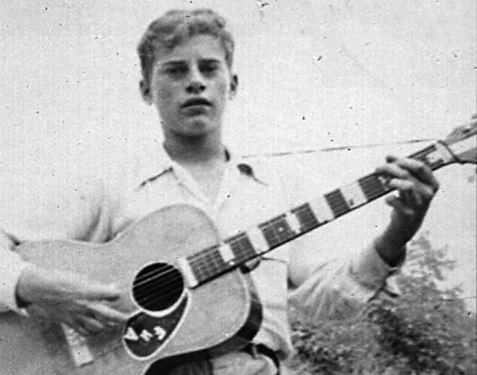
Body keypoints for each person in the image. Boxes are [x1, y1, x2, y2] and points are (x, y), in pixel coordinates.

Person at [0, 8, 440, 375]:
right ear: (146, 90)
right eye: (175, 70)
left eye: (209, 68)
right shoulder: (110, 183)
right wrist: (32, 285)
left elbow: (329, 301)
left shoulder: (275, 191)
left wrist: (398, 232)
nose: (195, 81)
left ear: (232, 84)